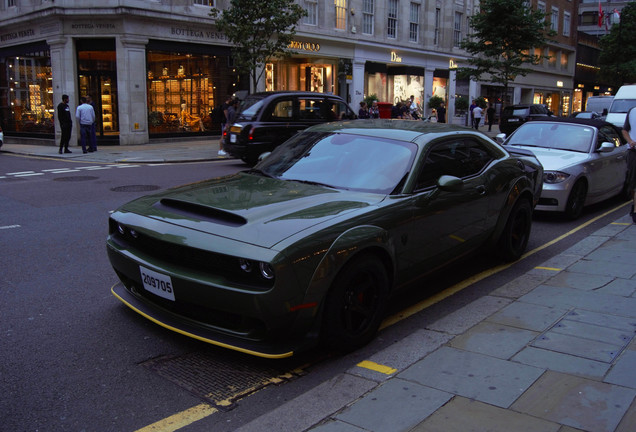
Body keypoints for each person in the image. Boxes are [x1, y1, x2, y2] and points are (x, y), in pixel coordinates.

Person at [621, 106, 636, 223]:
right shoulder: (632, 111)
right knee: (633, 182)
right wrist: (630, 141)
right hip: (634, 152)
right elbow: (624, 130)